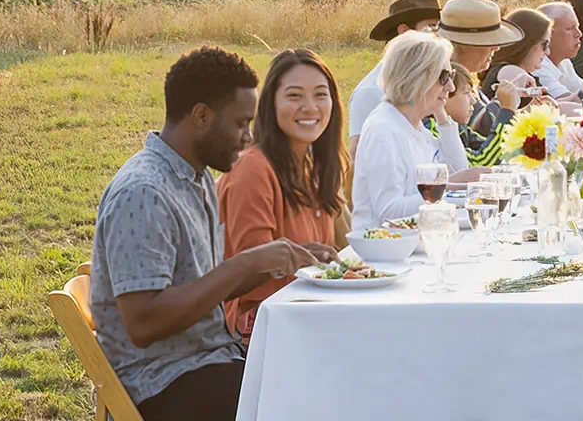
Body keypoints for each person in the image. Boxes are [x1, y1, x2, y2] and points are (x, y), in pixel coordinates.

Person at [90, 47, 314, 421]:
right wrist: (243, 263)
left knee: (315, 374)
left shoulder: (196, 179)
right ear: (201, 116)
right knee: (305, 401)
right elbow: (144, 323)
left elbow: (201, 287)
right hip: (160, 383)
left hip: (207, 361)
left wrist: (275, 262)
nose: (247, 138)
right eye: (241, 124)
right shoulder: (143, 192)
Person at [217, 49, 347, 341]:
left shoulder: (313, 165)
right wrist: (302, 258)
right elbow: (250, 269)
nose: (310, 107)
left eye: (320, 95)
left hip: (310, 312)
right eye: (294, 96)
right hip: (259, 330)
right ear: (270, 105)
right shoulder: (252, 168)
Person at [352, 31, 474, 228]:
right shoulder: (383, 130)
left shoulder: (413, 125)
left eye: (450, 76)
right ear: (416, 78)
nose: (451, 87)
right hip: (384, 250)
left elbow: (459, 170)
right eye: (443, 77)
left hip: (415, 243)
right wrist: (446, 191)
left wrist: (442, 116)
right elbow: (389, 212)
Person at [434, 0, 530, 167]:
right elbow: (482, 161)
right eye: (490, 41)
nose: (496, 48)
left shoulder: (461, 81)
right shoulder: (439, 95)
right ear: (465, 44)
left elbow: (482, 142)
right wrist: (506, 109)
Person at [348, 0, 443, 156]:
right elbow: (358, 155)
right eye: (432, 27)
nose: (438, 35)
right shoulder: (370, 91)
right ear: (404, 32)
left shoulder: (431, 83)